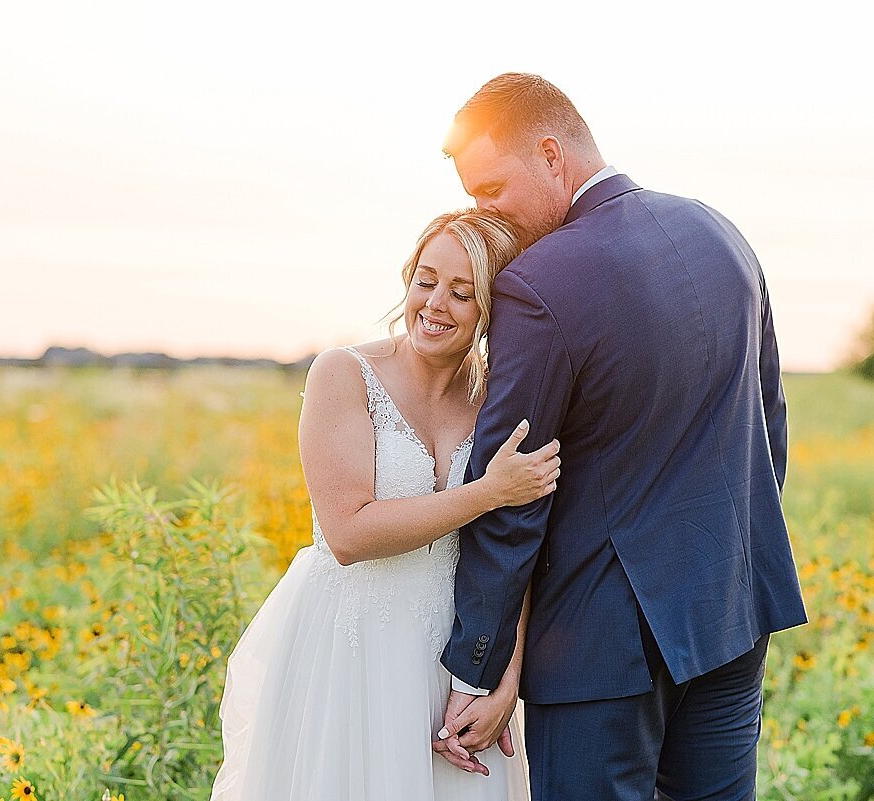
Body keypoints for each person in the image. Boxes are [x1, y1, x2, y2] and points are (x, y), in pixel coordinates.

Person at [434, 74, 808, 801]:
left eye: (489, 189)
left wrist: (479, 663)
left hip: (599, 648)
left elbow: (513, 486)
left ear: (550, 154)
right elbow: (769, 424)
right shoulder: (719, 231)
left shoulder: (537, 282)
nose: (483, 211)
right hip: (730, 613)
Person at [210, 208, 558, 801]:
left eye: (462, 293)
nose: (435, 304)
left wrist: (503, 675)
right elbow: (348, 533)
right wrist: (487, 492)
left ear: (491, 311)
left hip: (454, 654)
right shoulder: (343, 374)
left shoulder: (495, 400)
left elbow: (515, 545)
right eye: (425, 281)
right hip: (351, 649)